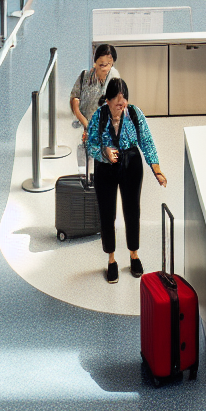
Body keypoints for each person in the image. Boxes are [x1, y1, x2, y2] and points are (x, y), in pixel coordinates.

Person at [85, 78, 166, 283]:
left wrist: (156, 169)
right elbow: (89, 145)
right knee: (107, 213)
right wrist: (104, 153)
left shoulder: (135, 114)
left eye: (125, 103)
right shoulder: (99, 116)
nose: (122, 107)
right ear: (109, 100)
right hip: (105, 168)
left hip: (131, 164)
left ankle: (134, 254)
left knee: (132, 211)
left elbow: (146, 141)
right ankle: (111, 259)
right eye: (118, 103)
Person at [70, 44, 120, 135]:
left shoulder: (115, 80)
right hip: (83, 128)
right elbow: (74, 101)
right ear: (95, 60)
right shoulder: (84, 76)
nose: (104, 66)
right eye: (101, 62)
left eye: (108, 62)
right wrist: (85, 123)